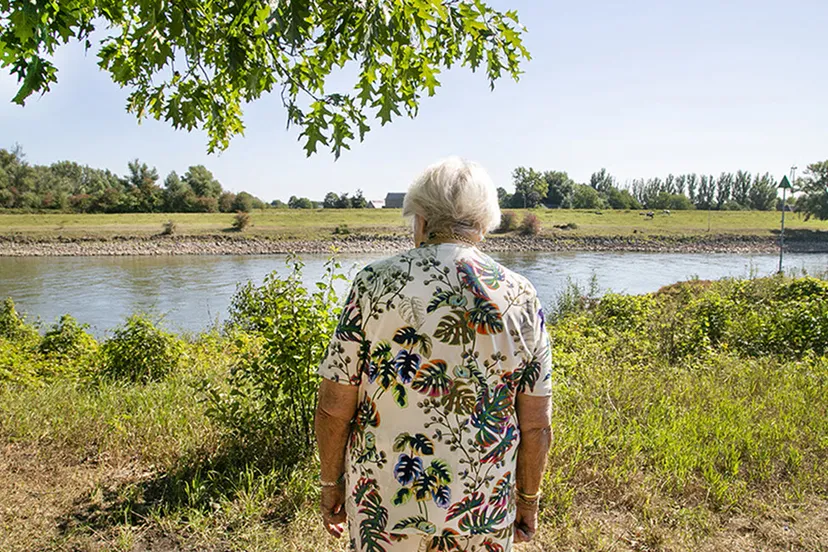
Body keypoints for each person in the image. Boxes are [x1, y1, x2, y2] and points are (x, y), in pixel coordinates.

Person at [315, 157, 553, 552]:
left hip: (384, 502)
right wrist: (528, 500)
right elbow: (535, 422)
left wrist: (331, 484)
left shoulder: (373, 283)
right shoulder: (520, 295)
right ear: (482, 225)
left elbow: (334, 405)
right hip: (481, 507)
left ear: (421, 219)